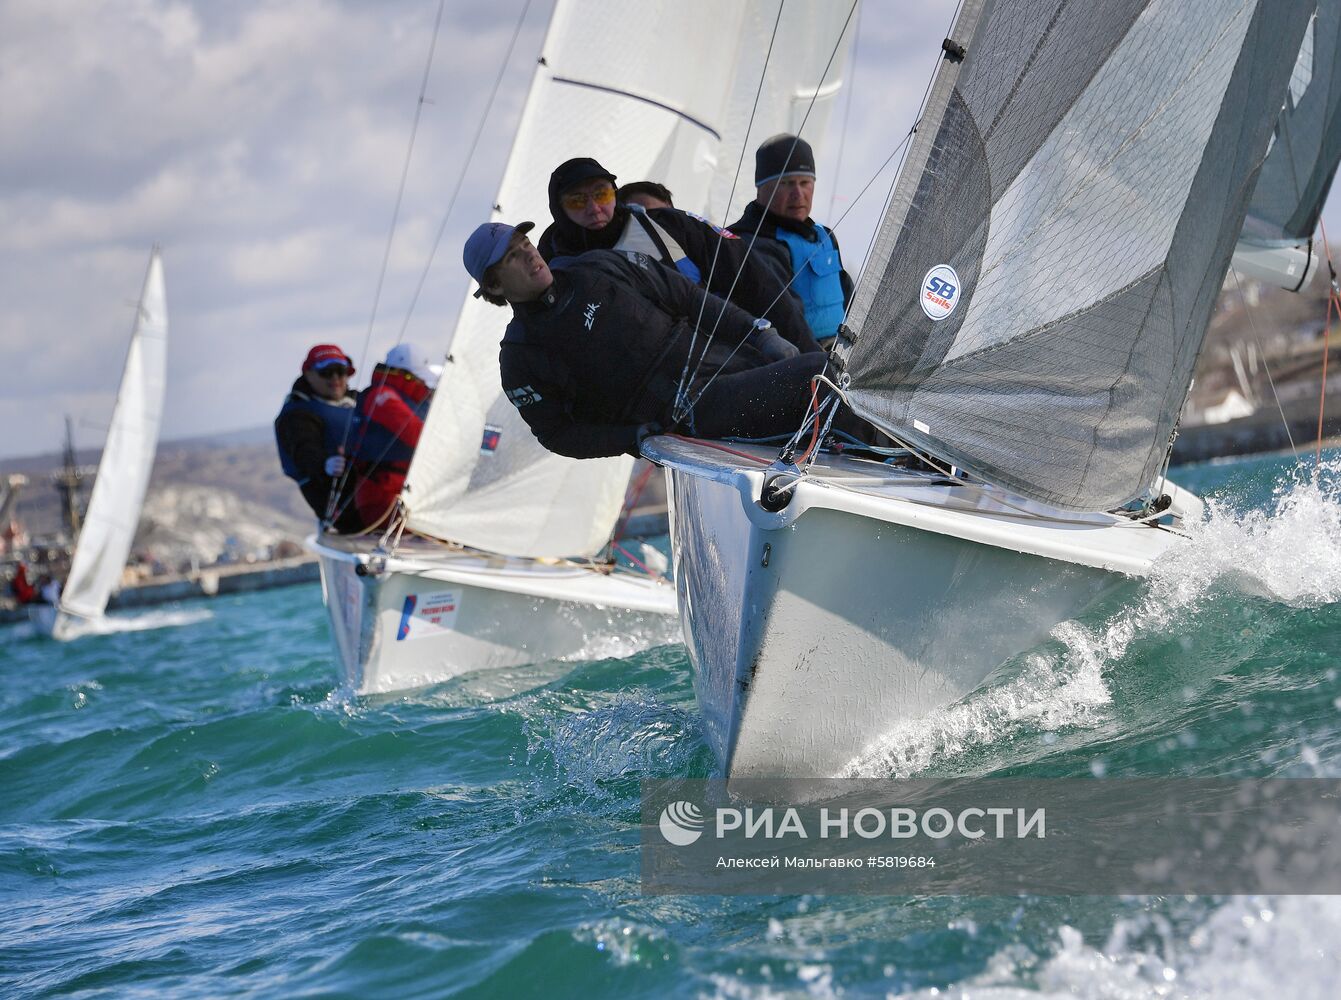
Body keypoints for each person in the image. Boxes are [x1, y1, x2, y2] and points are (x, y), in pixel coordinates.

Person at [464, 221, 859, 461]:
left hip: (731, 372)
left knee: (839, 369)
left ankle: (895, 455)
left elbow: (690, 299)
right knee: (816, 373)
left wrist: (762, 333)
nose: (530, 255)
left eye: (525, 244)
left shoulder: (597, 267)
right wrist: (631, 438)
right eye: (513, 256)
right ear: (495, 285)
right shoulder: (520, 358)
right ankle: (885, 456)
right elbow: (557, 434)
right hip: (687, 419)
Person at [537, 157, 821, 354]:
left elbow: (757, 281)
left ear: (614, 192)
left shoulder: (672, 225)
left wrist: (811, 357)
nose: (594, 208)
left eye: (601, 194)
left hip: (725, 353)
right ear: (558, 209)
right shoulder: (549, 265)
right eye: (577, 200)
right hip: (646, 394)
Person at [726, 134, 853, 346]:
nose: (798, 194)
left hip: (841, 359)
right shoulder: (750, 244)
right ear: (761, 188)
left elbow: (851, 299)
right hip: (799, 365)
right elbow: (785, 320)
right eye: (786, 183)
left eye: (805, 183)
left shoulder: (824, 236)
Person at [274, 344, 363, 532]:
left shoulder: (361, 400)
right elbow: (303, 450)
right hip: (341, 505)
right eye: (327, 373)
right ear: (308, 374)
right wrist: (324, 464)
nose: (336, 378)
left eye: (341, 371)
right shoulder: (297, 414)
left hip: (379, 491)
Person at [350, 342, 440, 527]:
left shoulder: (406, 398)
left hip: (405, 494)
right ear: (405, 376)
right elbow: (419, 436)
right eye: (419, 378)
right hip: (383, 499)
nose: (423, 384)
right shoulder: (382, 397)